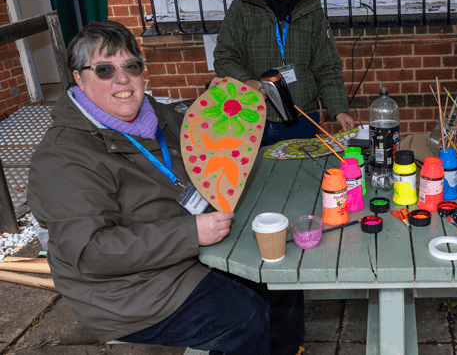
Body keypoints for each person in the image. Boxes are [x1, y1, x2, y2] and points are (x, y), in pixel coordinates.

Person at [28, 20, 304, 355]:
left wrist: (219, 107)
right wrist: (190, 233)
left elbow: (202, 140)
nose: (122, 79)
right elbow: (92, 252)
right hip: (127, 288)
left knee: (280, 275)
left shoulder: (154, 114)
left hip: (184, 250)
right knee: (243, 316)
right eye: (104, 69)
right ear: (79, 79)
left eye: (131, 66)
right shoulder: (63, 157)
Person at [214, 0, 354, 146]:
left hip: (304, 118)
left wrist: (339, 110)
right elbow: (224, 57)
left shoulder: (311, 8)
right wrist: (245, 81)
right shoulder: (242, 8)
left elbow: (327, 66)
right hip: (255, 118)